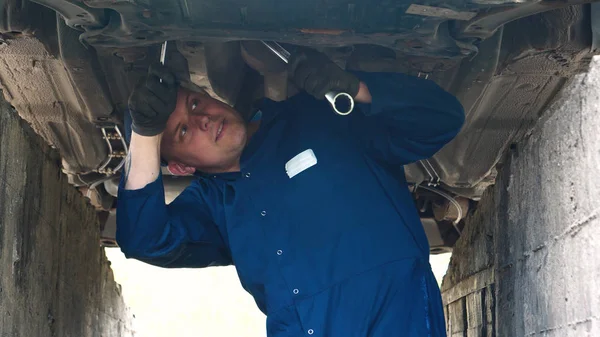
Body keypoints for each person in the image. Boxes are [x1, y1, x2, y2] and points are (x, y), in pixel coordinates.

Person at [117, 48, 465, 337]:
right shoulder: (213, 206)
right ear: (179, 168)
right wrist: (146, 132)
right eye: (182, 132)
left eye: (194, 104)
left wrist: (353, 88)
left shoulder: (324, 117)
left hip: (396, 315)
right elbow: (142, 239)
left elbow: (442, 119)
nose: (202, 120)